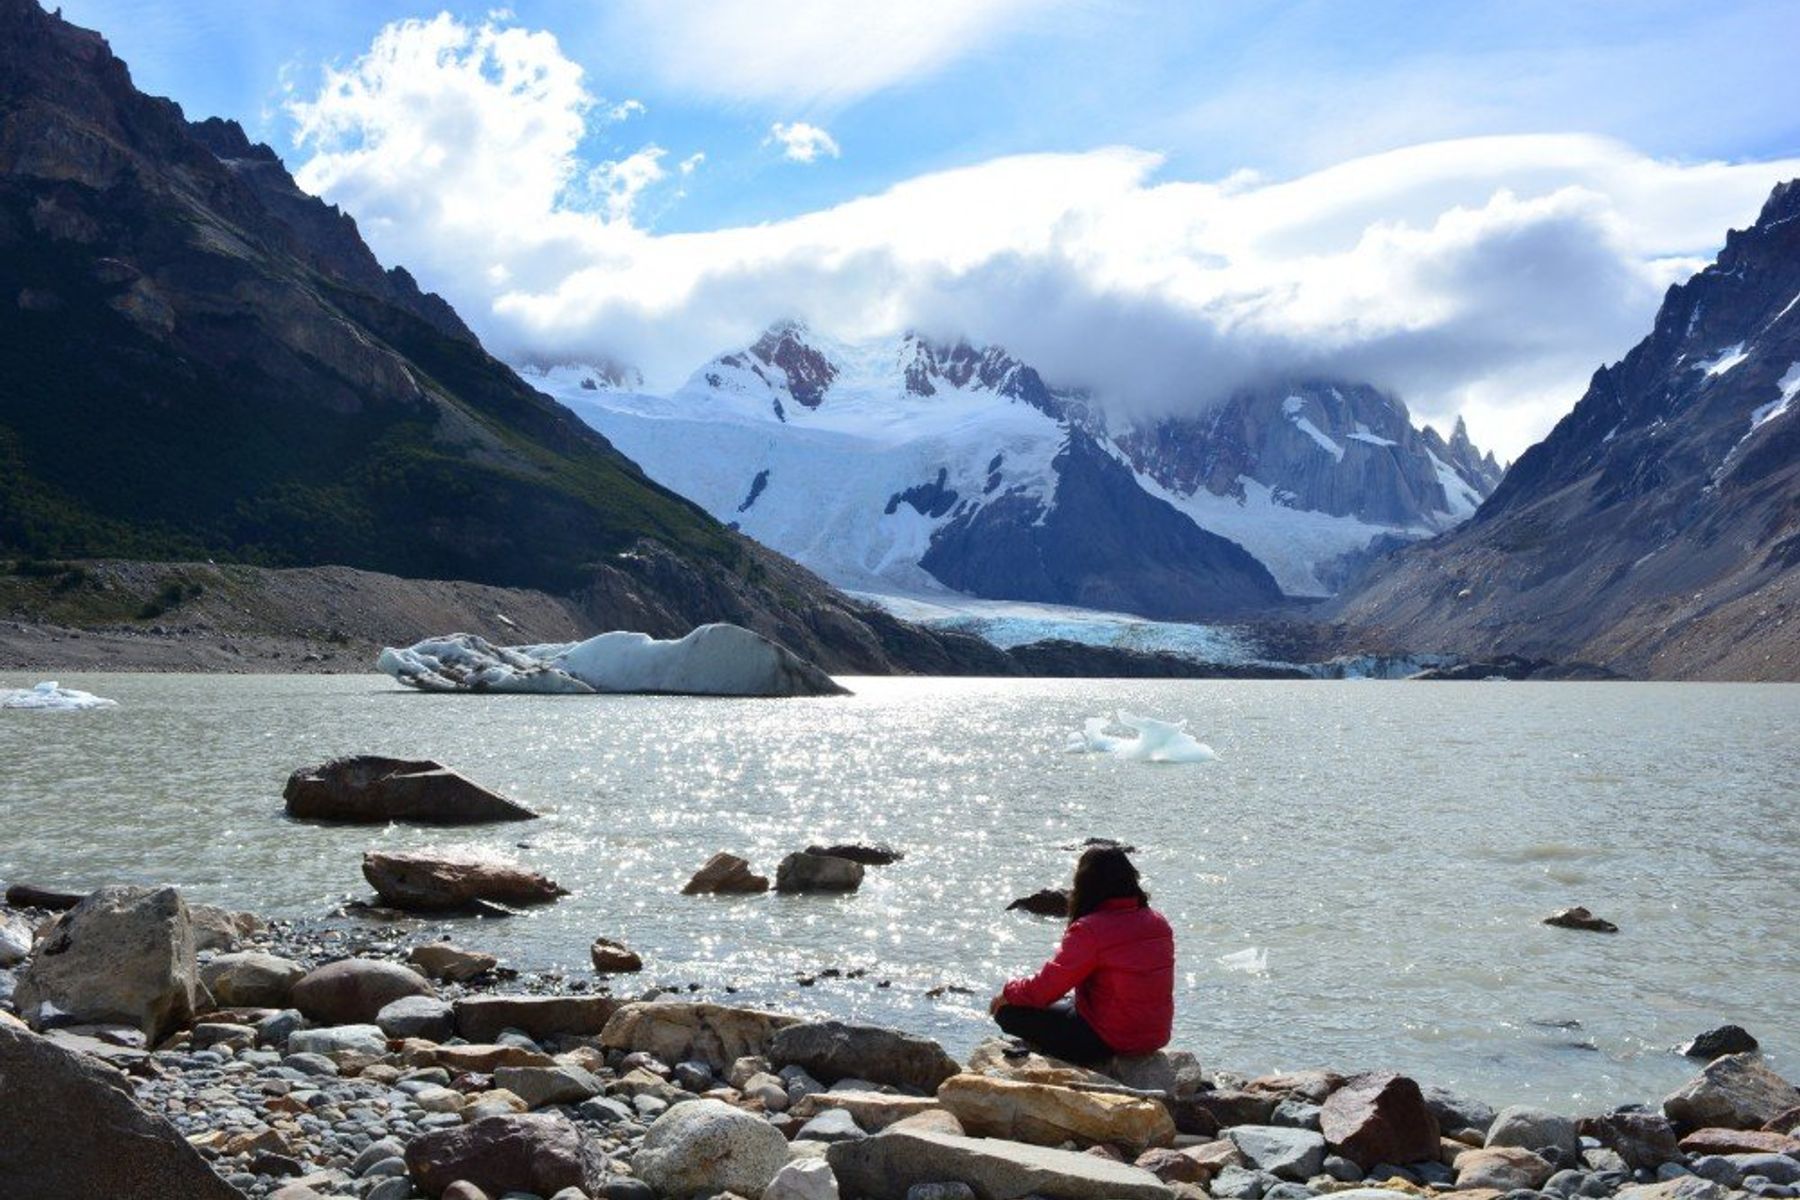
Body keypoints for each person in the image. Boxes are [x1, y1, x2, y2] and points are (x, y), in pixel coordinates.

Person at [990, 845, 1174, 1065]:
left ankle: (1060, 1059)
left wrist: (1007, 993)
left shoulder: (1090, 928)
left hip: (1108, 1040)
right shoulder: (1158, 922)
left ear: (1085, 884)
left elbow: (1045, 988)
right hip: (1155, 1035)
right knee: (1068, 1002)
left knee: (1008, 1012)